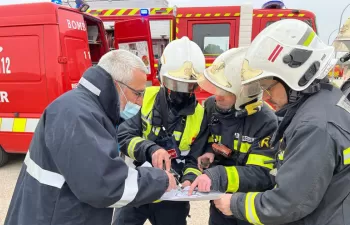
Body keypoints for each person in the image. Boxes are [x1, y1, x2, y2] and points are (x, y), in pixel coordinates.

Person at [5, 49, 177, 225]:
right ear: (117, 85)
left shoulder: (83, 107)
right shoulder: (79, 116)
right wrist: (160, 179)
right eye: (138, 93)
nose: (140, 102)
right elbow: (105, 185)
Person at [213, 19, 350, 225]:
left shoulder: (314, 127)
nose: (266, 97)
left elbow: (288, 204)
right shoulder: (324, 101)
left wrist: (234, 203)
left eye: (268, 86)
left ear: (294, 76)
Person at [112, 36, 208, 225]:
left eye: (189, 86)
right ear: (161, 77)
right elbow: (123, 135)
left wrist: (189, 178)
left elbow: (194, 159)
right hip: (137, 186)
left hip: (172, 195)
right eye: (176, 84)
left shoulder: (200, 115)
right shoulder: (144, 97)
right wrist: (150, 149)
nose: (182, 91)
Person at [187, 47, 278, 225]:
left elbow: (262, 175)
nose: (216, 97)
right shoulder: (213, 106)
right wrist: (208, 152)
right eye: (216, 89)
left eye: (224, 92)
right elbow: (208, 139)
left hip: (247, 206)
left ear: (244, 94)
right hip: (219, 200)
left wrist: (218, 176)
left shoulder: (266, 122)